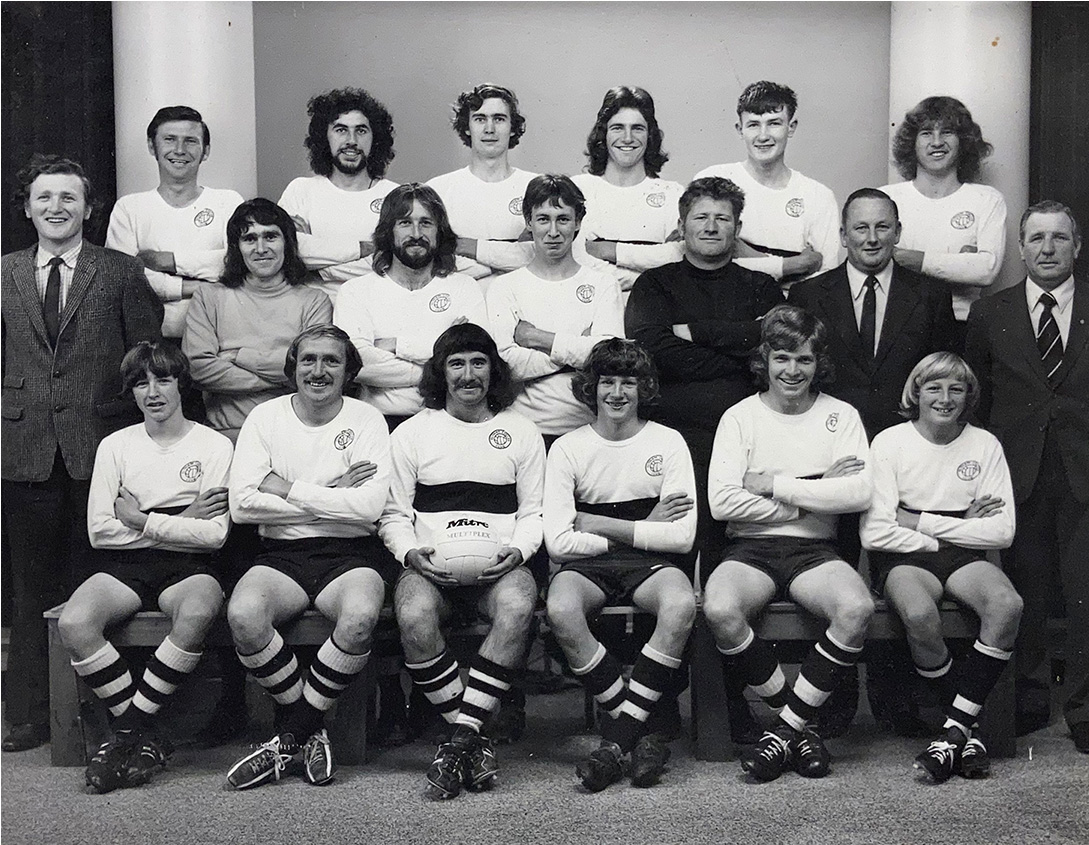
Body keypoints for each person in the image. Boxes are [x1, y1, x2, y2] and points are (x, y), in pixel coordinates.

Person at [1, 155, 162, 753]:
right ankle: (29, 716)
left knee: (95, 582)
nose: (56, 208)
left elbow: (145, 359)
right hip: (24, 450)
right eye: (44, 198)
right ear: (27, 208)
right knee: (28, 587)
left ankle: (98, 712)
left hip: (101, 447)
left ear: (89, 208)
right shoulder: (5, 273)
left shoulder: (118, 272)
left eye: (69, 198)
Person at [789, 187, 957, 736]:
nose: (871, 238)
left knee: (895, 571)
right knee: (834, 571)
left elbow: (940, 372)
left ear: (898, 232)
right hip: (834, 449)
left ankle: (897, 701)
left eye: (882, 227)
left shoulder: (928, 295)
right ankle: (832, 706)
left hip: (906, 451)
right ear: (842, 234)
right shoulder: (812, 293)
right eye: (859, 228)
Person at [703, 304, 875, 782]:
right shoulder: (740, 417)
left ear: (819, 362)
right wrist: (815, 491)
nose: (792, 370)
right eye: (782, 358)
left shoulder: (841, 416)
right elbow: (722, 502)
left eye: (803, 359)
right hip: (750, 549)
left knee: (856, 609)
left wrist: (776, 484)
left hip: (815, 551)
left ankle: (782, 728)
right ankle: (801, 726)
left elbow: (858, 492)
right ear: (765, 360)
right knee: (719, 609)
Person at [379, 323, 544, 799]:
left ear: (494, 370)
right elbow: (393, 514)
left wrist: (521, 550)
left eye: (478, 362)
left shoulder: (521, 431)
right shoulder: (413, 433)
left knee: (517, 607)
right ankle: (470, 737)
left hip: (499, 570)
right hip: (431, 570)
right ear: (440, 373)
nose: (468, 374)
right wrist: (411, 554)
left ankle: (458, 742)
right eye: (456, 364)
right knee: (412, 614)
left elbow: (534, 512)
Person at [58, 342, 232, 792]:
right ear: (131, 393)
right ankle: (147, 737)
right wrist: (181, 519)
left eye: (163, 380)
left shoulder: (213, 445)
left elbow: (214, 535)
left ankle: (126, 733)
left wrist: (138, 518)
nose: (153, 392)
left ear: (181, 384)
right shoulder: (116, 446)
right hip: (125, 565)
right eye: (141, 383)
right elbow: (100, 531)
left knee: (195, 612)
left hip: (190, 567)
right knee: (76, 622)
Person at [224, 325, 393, 788]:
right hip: (281, 551)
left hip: (351, 551)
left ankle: (290, 732)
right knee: (243, 614)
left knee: (359, 617)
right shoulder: (265, 418)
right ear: (293, 367)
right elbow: (242, 504)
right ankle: (310, 728)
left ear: (348, 370)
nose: (318, 371)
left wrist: (289, 488)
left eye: (331, 361)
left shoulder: (366, 420)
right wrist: (332, 491)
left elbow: (368, 507)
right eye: (308, 360)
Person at [544, 338, 696, 791]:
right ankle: (639, 732)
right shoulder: (568, 448)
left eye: (628, 382)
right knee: (561, 609)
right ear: (590, 388)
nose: (616, 393)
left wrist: (595, 521)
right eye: (606, 381)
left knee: (680, 603)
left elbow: (682, 538)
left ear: (643, 388)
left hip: (650, 563)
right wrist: (639, 525)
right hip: (589, 566)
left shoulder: (668, 442)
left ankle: (617, 738)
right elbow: (557, 543)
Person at [965, 200, 1089, 753]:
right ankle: (1032, 699)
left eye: (1059, 239)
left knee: (1085, 593)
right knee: (1029, 593)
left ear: (1076, 246)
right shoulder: (993, 314)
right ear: (1020, 247)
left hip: (1084, 471)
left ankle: (1084, 709)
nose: (1047, 249)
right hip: (1020, 474)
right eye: (1036, 239)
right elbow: (978, 404)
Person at [861, 352, 1020, 781]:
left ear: (969, 396)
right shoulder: (889, 442)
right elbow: (877, 533)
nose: (945, 399)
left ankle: (952, 732)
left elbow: (1002, 532)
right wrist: (960, 525)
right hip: (904, 556)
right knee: (918, 612)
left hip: (958, 553)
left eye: (956, 389)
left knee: (1007, 604)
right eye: (934, 387)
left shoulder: (984, 444)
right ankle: (965, 728)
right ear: (916, 392)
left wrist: (925, 521)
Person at [333, 183, 488, 424]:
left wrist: (397, 345)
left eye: (426, 223)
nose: (416, 234)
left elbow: (476, 362)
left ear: (439, 231)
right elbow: (358, 366)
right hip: (378, 423)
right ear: (389, 231)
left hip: (450, 422)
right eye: (405, 223)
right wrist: (443, 360)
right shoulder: (355, 292)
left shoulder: (464, 287)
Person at [182, 198, 332, 443]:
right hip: (226, 437)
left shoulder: (314, 301)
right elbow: (197, 368)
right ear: (236, 247)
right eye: (249, 238)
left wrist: (239, 356)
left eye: (271, 236)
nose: (261, 248)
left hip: (295, 436)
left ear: (288, 243)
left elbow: (313, 370)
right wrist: (284, 376)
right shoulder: (209, 297)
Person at [486, 175, 624, 440]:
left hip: (590, 429)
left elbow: (609, 360)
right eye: (543, 219)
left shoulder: (604, 285)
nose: (553, 231)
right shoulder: (505, 287)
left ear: (578, 223)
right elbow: (505, 364)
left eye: (562, 219)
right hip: (523, 430)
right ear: (529, 222)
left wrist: (537, 338)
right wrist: (577, 351)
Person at [106, 105, 243, 337]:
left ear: (205, 151)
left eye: (190, 141)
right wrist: (197, 286)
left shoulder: (228, 202)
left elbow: (238, 262)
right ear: (152, 146)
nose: (179, 150)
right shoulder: (129, 208)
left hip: (221, 340)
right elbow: (123, 278)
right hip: (151, 346)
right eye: (169, 139)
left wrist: (168, 261)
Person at [883, 96, 1007, 347]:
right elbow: (873, 264)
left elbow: (986, 270)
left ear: (964, 142)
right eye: (926, 133)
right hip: (896, 327)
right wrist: (958, 264)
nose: (937, 142)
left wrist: (914, 259)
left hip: (963, 328)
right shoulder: (887, 197)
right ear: (912, 143)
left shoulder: (986, 199)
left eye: (947, 132)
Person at [694, 81, 840, 287]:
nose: (763, 136)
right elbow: (697, 260)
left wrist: (743, 252)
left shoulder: (818, 196)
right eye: (753, 124)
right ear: (740, 129)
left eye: (774, 123)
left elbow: (825, 277)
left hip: (789, 312)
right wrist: (792, 265)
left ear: (791, 127)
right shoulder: (714, 178)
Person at [278, 87, 399, 300]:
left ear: (375, 138)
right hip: (315, 315)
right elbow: (289, 253)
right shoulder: (301, 190)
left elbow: (395, 263)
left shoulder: (394, 195)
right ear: (324, 136)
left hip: (379, 308)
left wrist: (318, 268)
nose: (351, 140)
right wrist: (365, 249)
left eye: (361, 131)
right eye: (341, 130)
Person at [574, 86, 684, 292]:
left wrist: (609, 250)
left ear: (650, 135)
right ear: (603, 134)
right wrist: (647, 275)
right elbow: (572, 260)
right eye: (617, 128)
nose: (627, 138)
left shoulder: (673, 194)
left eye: (637, 128)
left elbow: (679, 258)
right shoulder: (577, 190)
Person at [427, 84, 536, 280]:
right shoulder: (439, 190)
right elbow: (435, 262)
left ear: (512, 128)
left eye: (499, 119)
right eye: (480, 119)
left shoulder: (535, 187)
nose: (489, 129)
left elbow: (540, 257)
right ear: (467, 127)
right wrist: (505, 259)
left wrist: (467, 247)